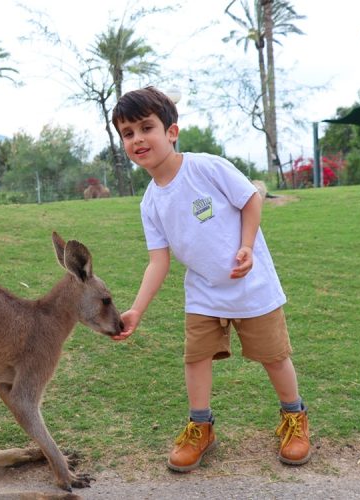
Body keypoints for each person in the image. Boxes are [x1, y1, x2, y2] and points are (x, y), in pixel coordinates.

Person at [111, 86, 310, 471]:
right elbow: (158, 261)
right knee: (196, 357)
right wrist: (137, 309)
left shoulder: (205, 167)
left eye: (145, 127)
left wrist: (247, 247)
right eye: (127, 133)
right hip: (203, 292)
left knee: (274, 356)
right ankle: (200, 428)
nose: (137, 139)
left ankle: (294, 418)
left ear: (171, 132)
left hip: (253, 287)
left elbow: (251, 198)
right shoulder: (150, 201)